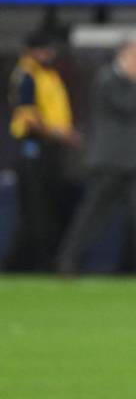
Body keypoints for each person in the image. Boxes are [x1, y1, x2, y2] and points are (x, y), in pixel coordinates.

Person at [56, 40, 136, 276]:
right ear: (123, 55)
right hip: (110, 161)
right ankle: (67, 260)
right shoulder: (107, 79)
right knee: (91, 216)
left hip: (135, 162)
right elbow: (127, 106)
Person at [5, 29, 77, 272]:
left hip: (49, 150)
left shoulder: (47, 75)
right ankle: (20, 265)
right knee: (35, 211)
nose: (49, 54)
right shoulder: (27, 75)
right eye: (44, 50)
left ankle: (36, 263)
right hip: (32, 148)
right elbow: (29, 117)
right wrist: (60, 134)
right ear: (32, 51)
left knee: (47, 208)